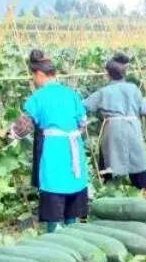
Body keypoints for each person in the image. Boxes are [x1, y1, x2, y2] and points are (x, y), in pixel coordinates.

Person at [5, 49, 89, 233]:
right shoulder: (71, 94)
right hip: (74, 147)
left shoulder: (38, 97)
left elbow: (23, 126)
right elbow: (83, 123)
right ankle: (74, 235)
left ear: (40, 74)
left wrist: (6, 134)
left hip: (54, 150)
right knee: (73, 193)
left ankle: (55, 236)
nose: (33, 81)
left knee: (54, 191)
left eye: (33, 76)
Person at [83, 53, 146, 202]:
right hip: (132, 128)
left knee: (108, 163)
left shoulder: (104, 92)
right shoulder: (134, 88)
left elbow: (84, 105)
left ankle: (108, 198)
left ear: (108, 74)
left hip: (112, 129)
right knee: (138, 163)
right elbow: (144, 110)